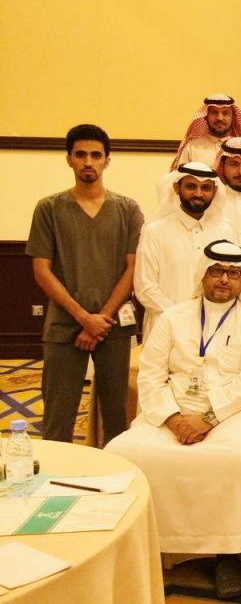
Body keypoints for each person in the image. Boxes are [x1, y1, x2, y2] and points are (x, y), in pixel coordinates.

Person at [106, 241, 241, 599]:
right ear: (203, 273)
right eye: (217, 271)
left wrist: (208, 418)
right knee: (123, 453)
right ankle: (143, 546)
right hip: (174, 407)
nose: (224, 280)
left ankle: (226, 553)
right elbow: (150, 374)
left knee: (231, 459)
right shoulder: (174, 316)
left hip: (237, 409)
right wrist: (173, 419)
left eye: (234, 273)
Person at [27, 124, 144, 443]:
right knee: (58, 416)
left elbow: (133, 268)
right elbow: (41, 271)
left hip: (112, 326)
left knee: (117, 415)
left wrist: (100, 320)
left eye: (95, 155)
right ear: (69, 160)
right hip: (64, 325)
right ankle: (56, 471)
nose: (88, 161)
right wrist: (83, 318)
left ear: (107, 161)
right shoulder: (49, 209)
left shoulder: (128, 209)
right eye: (80, 155)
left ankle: (116, 472)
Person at [135, 162, 233, 340]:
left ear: (215, 191)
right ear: (176, 187)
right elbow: (145, 287)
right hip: (165, 328)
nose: (198, 193)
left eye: (205, 188)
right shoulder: (154, 231)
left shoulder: (224, 231)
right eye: (191, 186)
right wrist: (181, 317)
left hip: (213, 330)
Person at [171, 93, 241, 170]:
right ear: (206, 117)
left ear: (233, 117)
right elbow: (180, 176)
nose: (220, 118)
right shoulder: (192, 147)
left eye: (225, 113)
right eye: (214, 112)